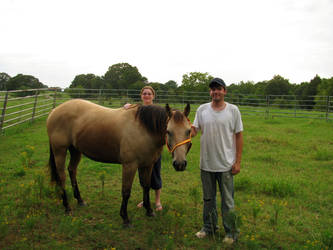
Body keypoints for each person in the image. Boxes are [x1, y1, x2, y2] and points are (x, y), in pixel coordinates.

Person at [191, 77, 243, 244]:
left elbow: (239, 136)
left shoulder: (233, 111)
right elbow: (193, 131)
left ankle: (231, 233)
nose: (215, 92)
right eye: (213, 89)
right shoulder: (202, 110)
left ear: (224, 91)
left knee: (227, 201)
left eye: (219, 88)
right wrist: (179, 124)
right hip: (206, 164)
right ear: (210, 92)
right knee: (208, 199)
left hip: (226, 165)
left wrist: (238, 162)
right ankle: (209, 227)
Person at [124, 86, 163, 211]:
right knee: (144, 176)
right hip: (140, 149)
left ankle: (157, 201)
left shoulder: (158, 111)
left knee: (155, 174)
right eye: (144, 94)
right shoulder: (138, 109)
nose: (147, 96)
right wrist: (127, 106)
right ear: (141, 96)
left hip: (154, 148)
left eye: (149, 94)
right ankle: (145, 199)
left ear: (153, 96)